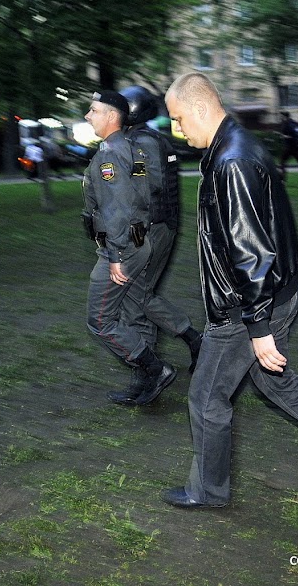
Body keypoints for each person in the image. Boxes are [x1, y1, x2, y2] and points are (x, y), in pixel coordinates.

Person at [161, 73, 298, 508]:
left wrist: (256, 326)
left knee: (207, 396)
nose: (179, 130)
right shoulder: (234, 147)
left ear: (201, 108)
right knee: (277, 383)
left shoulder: (232, 161)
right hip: (276, 295)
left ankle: (208, 492)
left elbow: (251, 253)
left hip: (249, 307)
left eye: (180, 119)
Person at [104, 85, 201, 405]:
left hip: (150, 229)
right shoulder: (143, 139)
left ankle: (155, 368)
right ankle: (161, 363)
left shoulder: (142, 142)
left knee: (134, 298)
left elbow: (149, 188)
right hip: (154, 227)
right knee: (137, 298)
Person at [81, 90, 176, 406]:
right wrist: (137, 243)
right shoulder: (133, 150)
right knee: (136, 310)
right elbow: (144, 197)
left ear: (111, 116)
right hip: (139, 241)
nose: (87, 116)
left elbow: (120, 210)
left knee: (101, 321)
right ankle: (147, 377)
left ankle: (155, 369)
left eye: (93, 110)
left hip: (123, 248)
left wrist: (116, 255)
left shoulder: (111, 154)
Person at [277, 111, 298, 180]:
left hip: (290, 146)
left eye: (281, 116)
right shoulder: (291, 123)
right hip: (294, 146)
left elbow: (293, 135)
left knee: (282, 161)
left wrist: (284, 136)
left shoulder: (289, 124)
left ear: (284, 116)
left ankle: (283, 178)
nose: (280, 118)